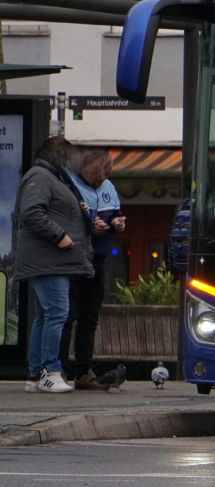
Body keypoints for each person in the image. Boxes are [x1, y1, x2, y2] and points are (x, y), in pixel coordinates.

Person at [14, 136, 93, 393]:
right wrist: (59, 236)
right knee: (58, 312)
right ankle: (51, 371)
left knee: (45, 316)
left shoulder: (51, 177)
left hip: (49, 260)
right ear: (52, 154)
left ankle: (36, 375)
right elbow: (31, 212)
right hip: (48, 260)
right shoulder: (40, 177)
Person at [60, 148, 125, 390]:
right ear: (92, 168)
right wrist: (90, 229)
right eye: (104, 172)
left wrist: (116, 224)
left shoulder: (108, 188)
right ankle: (59, 370)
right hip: (73, 259)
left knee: (89, 318)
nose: (106, 178)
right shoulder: (69, 184)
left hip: (98, 260)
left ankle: (83, 371)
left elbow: (115, 216)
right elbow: (65, 221)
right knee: (67, 316)